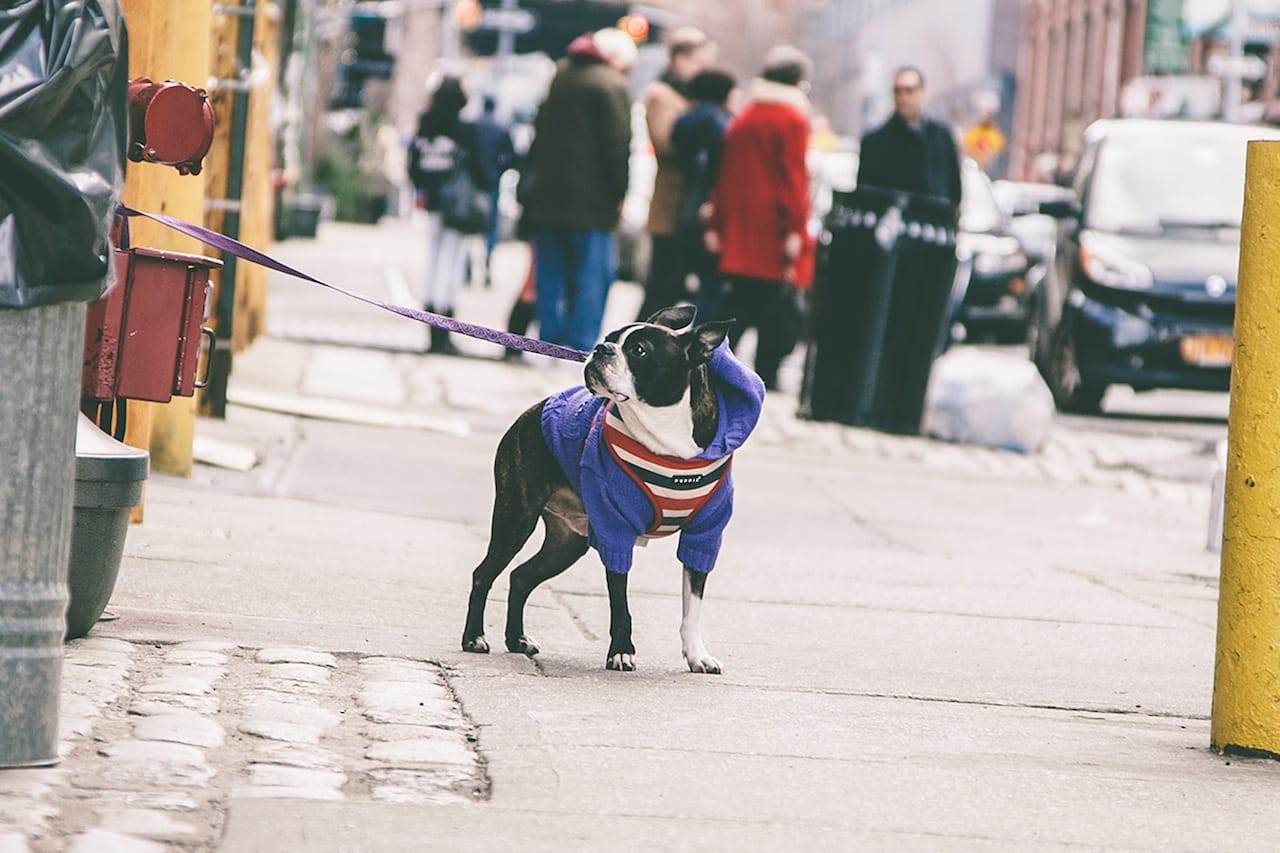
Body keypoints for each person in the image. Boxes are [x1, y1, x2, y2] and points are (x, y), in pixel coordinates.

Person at [704, 46, 815, 391]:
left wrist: (717, 223)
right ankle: (765, 374)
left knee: (739, 304)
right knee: (773, 309)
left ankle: (717, 366)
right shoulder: (792, 119)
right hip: (772, 232)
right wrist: (796, 227)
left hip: (742, 229)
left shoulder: (746, 116)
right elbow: (792, 178)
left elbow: (726, 177)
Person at [522, 28, 635, 353]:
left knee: (551, 274)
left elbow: (539, 135)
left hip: (549, 199)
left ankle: (548, 341)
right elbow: (617, 146)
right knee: (591, 277)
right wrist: (620, 191)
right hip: (592, 204)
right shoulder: (612, 86)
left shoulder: (561, 78)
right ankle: (580, 346)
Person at [634, 27, 716, 320]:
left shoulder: (690, 97)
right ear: (680, 59)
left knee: (673, 286)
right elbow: (666, 143)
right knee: (662, 287)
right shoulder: (661, 94)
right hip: (670, 207)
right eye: (699, 62)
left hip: (689, 208)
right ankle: (636, 345)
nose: (703, 69)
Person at [407, 74, 491, 355]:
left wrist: (423, 189)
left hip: (433, 203)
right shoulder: (465, 129)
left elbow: (414, 163)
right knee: (453, 263)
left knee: (433, 259)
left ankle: (430, 320)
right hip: (459, 206)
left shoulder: (426, 124)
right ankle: (446, 325)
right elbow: (479, 167)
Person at [670, 67, 738, 323]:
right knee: (709, 285)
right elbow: (719, 170)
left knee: (670, 282)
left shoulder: (685, 120)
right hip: (706, 208)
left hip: (683, 206)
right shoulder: (720, 123)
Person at [856, 66, 962, 207]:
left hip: (935, 220)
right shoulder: (875, 142)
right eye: (898, 91)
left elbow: (954, 188)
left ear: (922, 92)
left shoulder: (941, 137)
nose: (903, 97)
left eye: (909, 91)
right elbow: (864, 196)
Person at [473, 95, 516, 283]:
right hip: (492, 182)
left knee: (470, 225)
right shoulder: (502, 128)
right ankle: (488, 260)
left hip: (474, 184)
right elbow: (512, 156)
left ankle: (467, 267)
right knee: (491, 227)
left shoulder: (473, 126)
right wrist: (499, 169)